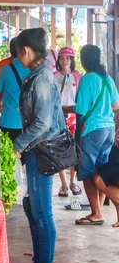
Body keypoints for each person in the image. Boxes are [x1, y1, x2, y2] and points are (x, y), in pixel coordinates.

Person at [11, 28, 66, 263]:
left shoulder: (42, 79)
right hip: (35, 150)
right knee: (33, 208)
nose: (18, 56)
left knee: (42, 212)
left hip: (42, 152)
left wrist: (18, 145)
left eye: (19, 52)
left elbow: (43, 122)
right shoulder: (35, 76)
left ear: (26, 51)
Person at [64, 45, 119, 226]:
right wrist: (104, 111)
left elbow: (80, 109)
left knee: (87, 171)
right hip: (109, 129)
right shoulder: (107, 78)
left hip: (92, 130)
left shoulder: (87, 79)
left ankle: (96, 213)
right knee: (102, 170)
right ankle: (101, 210)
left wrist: (66, 108)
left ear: (83, 59)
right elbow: (116, 104)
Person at [54, 46, 83, 197]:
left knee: (74, 150)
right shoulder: (53, 77)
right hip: (59, 117)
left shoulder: (78, 77)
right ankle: (63, 184)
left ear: (72, 60)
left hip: (74, 118)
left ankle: (73, 181)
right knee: (60, 150)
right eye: (61, 57)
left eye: (67, 58)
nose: (64, 60)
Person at [0, 37, 30, 141]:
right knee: (26, 156)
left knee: (9, 154)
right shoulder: (32, 69)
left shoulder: (4, 69)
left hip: (8, 120)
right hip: (28, 122)